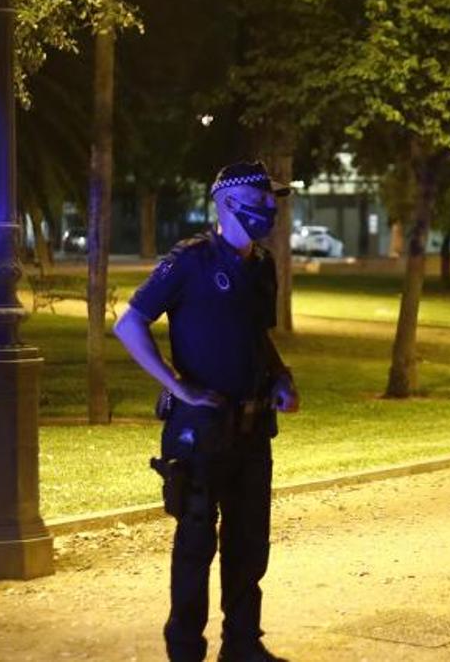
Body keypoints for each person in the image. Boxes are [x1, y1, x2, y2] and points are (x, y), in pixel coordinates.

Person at [114, 161, 299, 662]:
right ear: (230, 203)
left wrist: (280, 377)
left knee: (248, 543)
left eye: (273, 202)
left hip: (252, 426)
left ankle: (242, 644)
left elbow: (258, 334)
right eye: (263, 199)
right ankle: (185, 650)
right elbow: (129, 324)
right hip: (200, 429)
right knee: (196, 542)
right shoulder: (189, 260)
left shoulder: (262, 266)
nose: (270, 209)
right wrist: (177, 385)